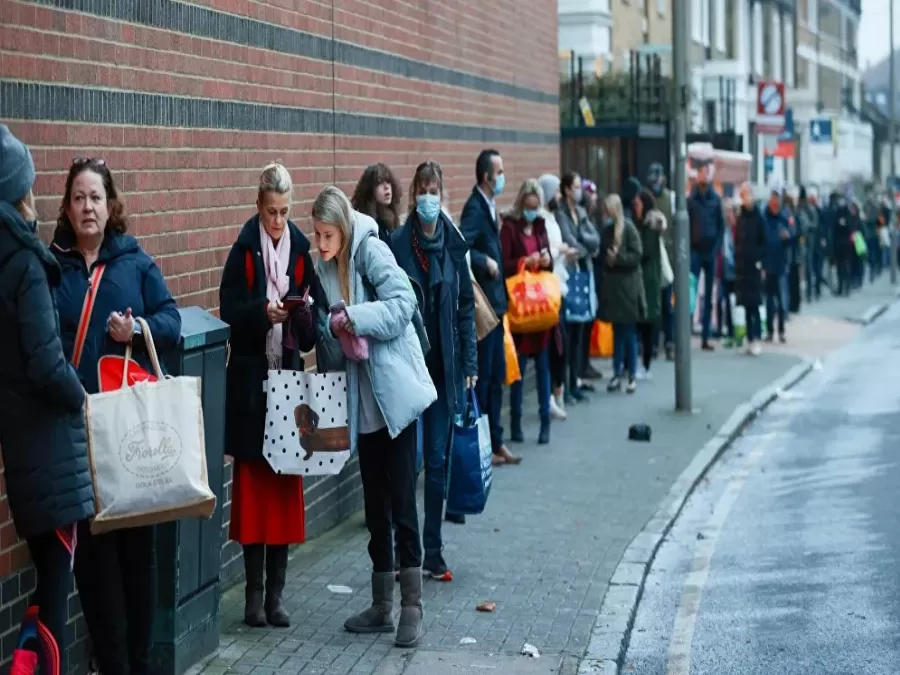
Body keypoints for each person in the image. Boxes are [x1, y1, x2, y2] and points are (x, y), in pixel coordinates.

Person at [52, 158, 181, 675]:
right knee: (94, 564)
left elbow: (171, 320)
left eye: (96, 198)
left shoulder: (135, 263)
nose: (88, 207)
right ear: (66, 207)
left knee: (137, 559)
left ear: (111, 206)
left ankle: (141, 663)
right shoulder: (51, 266)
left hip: (130, 438)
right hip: (77, 438)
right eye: (79, 198)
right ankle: (112, 663)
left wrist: (139, 328)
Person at [312, 185, 436, 648]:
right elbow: (332, 343)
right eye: (318, 236)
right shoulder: (325, 267)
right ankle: (382, 604)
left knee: (403, 501)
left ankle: (412, 607)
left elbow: (405, 305)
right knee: (374, 508)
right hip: (361, 403)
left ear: (343, 228)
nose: (322, 246)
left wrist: (354, 318)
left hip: (394, 400)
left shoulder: (372, 249)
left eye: (327, 236)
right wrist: (320, 325)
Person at [0, 125, 93, 675]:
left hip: (22, 450)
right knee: (56, 594)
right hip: (52, 453)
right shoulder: (26, 263)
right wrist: (79, 394)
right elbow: (45, 361)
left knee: (45, 584)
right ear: (21, 191)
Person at [220, 163, 322, 628]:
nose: (278, 221)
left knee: (282, 490)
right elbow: (229, 313)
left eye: (284, 212)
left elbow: (312, 330)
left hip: (289, 383)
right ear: (258, 206)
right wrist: (264, 313)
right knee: (252, 492)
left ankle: (277, 596)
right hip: (250, 387)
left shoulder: (301, 252)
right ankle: (253, 597)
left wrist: (299, 314)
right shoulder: (243, 251)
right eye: (271, 213)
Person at [390, 160, 477, 579]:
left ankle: (434, 549)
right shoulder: (397, 245)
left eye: (434, 190)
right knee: (409, 460)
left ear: (441, 195)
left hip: (444, 368)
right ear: (414, 195)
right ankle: (400, 547)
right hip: (408, 369)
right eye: (422, 189)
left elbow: (465, 310)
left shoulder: (455, 246)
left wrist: (469, 365)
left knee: (438, 460)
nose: (428, 197)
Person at [461, 149, 520, 466]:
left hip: (498, 306)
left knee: (496, 376)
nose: (502, 177)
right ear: (486, 176)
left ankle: (496, 442)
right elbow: (463, 246)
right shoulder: (474, 208)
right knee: (484, 379)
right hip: (486, 309)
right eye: (499, 172)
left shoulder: (489, 205)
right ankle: (486, 442)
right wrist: (485, 262)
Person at [501, 178, 554, 444]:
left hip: (540, 308)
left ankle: (546, 421)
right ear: (522, 202)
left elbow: (550, 261)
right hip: (522, 308)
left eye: (537, 206)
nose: (533, 211)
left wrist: (546, 260)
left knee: (543, 368)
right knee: (519, 369)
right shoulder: (510, 228)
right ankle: (516, 421)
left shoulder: (541, 226)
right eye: (529, 206)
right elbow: (505, 264)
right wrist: (525, 261)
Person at [556, 172, 601, 404]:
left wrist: (583, 244)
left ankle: (576, 380)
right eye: (574, 187)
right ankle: (567, 384)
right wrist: (585, 247)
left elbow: (595, 239)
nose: (578, 191)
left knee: (581, 331)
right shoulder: (561, 214)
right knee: (570, 332)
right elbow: (569, 241)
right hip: (571, 276)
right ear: (566, 190)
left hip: (584, 273)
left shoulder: (581, 213)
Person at [601, 194, 645, 393]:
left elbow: (636, 256)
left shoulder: (628, 229)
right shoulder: (607, 231)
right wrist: (607, 259)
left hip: (628, 289)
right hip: (614, 289)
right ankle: (617, 373)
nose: (607, 216)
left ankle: (631, 374)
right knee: (618, 335)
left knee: (628, 334)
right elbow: (602, 254)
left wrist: (617, 258)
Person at [538, 174, 574, 420]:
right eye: (556, 193)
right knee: (553, 347)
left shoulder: (552, 218)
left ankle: (558, 390)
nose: (559, 197)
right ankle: (550, 395)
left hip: (559, 286)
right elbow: (541, 250)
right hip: (546, 292)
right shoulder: (541, 219)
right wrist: (557, 250)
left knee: (562, 345)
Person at [687, 160, 726, 350]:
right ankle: (685, 333)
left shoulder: (715, 199)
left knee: (710, 293)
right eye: (701, 172)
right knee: (690, 292)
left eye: (706, 172)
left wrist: (717, 248)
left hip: (710, 251)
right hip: (694, 250)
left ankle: (706, 336)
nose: (704, 175)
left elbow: (721, 226)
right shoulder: (691, 199)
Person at [632, 189, 667, 379]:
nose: (635, 208)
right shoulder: (642, 226)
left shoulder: (650, 228)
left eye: (638, 204)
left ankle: (645, 365)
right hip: (645, 279)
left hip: (647, 280)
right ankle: (642, 365)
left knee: (645, 325)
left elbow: (644, 253)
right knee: (642, 325)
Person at [733, 182, 766, 356]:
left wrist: (760, 261)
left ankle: (757, 338)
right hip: (743, 267)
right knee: (745, 305)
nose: (746, 198)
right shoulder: (741, 218)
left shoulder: (759, 218)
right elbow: (737, 240)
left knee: (754, 305)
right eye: (743, 195)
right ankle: (749, 338)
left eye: (748, 194)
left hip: (754, 266)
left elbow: (763, 241)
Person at [648, 163, 675, 360]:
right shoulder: (647, 199)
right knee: (655, 306)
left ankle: (669, 342)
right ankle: (655, 344)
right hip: (652, 259)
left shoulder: (670, 199)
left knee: (667, 305)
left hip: (667, 260)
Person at [761, 188, 792, 343]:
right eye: (773, 203)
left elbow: (792, 235)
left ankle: (781, 331)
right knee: (769, 301)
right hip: (768, 264)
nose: (775, 206)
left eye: (777, 204)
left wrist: (788, 237)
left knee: (781, 300)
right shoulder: (764, 218)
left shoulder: (784, 218)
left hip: (780, 263)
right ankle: (769, 331)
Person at [351, 163, 403, 246]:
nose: (386, 187)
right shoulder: (364, 224)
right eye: (379, 183)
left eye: (388, 182)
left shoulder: (391, 218)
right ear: (370, 190)